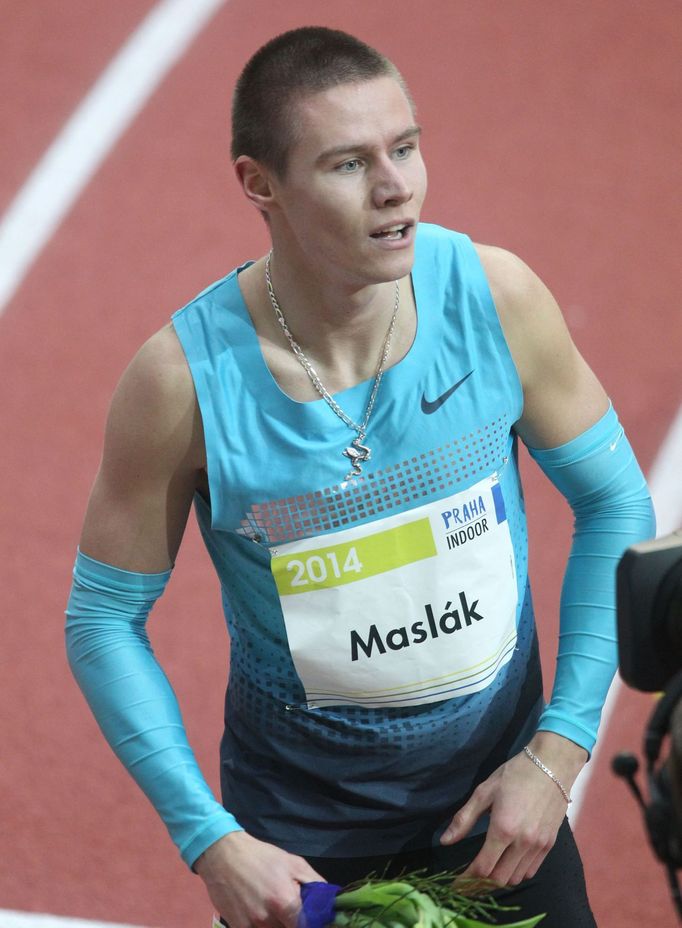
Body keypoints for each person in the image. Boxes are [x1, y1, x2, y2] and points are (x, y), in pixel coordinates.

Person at [65, 26, 656, 928]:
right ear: (260, 184)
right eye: (348, 164)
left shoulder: (494, 300)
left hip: (503, 816)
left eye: (406, 148)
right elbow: (103, 618)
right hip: (303, 853)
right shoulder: (182, 385)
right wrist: (212, 840)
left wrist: (560, 752)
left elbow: (614, 502)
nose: (396, 188)